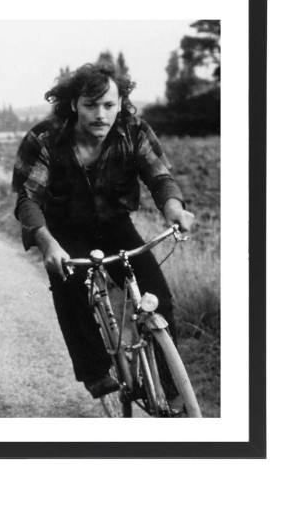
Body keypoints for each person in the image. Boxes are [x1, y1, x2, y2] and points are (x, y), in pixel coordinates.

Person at [12, 62, 195, 400]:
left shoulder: (134, 131)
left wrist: (173, 208)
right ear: (73, 104)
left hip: (114, 223)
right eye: (90, 105)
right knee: (70, 287)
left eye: (109, 105)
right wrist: (47, 242)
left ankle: (171, 391)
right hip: (63, 229)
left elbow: (159, 176)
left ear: (120, 103)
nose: (100, 114)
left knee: (158, 297)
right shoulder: (45, 138)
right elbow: (28, 199)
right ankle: (94, 371)